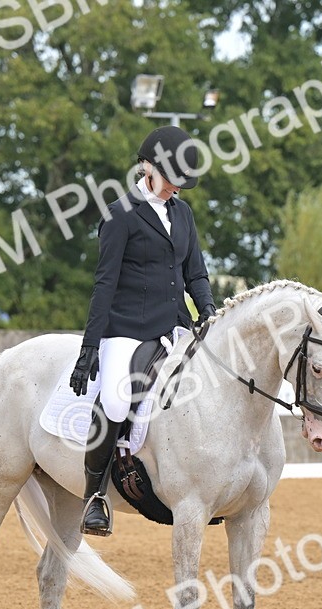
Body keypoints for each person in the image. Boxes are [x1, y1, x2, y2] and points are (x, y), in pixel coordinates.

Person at [69, 126, 217, 536]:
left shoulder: (182, 213)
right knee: (116, 403)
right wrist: (89, 348)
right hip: (128, 330)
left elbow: (196, 273)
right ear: (147, 168)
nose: (176, 188)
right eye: (171, 179)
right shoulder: (119, 215)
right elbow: (105, 285)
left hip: (174, 327)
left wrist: (207, 309)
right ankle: (94, 495)